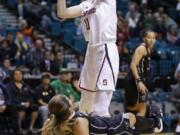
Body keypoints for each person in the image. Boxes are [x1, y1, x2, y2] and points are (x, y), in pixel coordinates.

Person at [57, 0, 119, 116]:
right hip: (91, 50)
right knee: (85, 105)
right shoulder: (84, 5)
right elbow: (62, 13)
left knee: (100, 107)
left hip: (105, 46)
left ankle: (102, 130)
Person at [41, 95, 163, 135]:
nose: (71, 100)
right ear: (69, 106)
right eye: (69, 100)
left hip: (102, 123)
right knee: (130, 117)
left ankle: (153, 127)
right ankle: (155, 123)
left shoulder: (50, 122)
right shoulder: (79, 122)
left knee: (131, 121)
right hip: (108, 129)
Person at [124, 30, 163, 133]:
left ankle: (136, 130)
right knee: (135, 109)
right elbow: (133, 65)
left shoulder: (148, 50)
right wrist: (139, 81)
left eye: (153, 38)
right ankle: (155, 121)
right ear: (144, 38)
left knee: (139, 109)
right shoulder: (141, 49)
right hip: (134, 81)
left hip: (138, 81)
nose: (151, 40)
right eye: (149, 37)